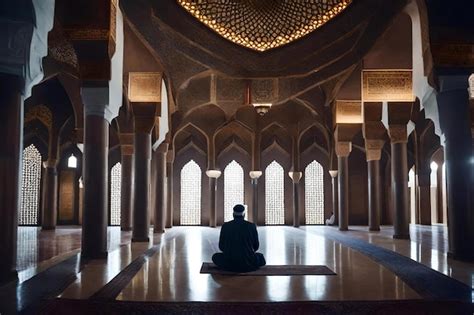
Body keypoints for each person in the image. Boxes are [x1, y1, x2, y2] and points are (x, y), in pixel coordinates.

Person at [212, 204, 266, 272]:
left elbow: (221, 247)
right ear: (244, 215)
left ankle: (230, 266)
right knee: (260, 257)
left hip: (229, 262)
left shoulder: (226, 226)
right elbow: (256, 246)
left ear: (233, 215)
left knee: (215, 257)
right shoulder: (251, 226)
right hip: (247, 262)